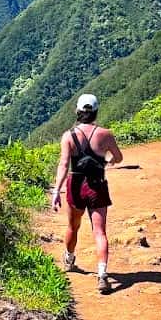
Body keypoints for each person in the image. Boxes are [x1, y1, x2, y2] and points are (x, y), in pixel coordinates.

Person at [51, 92, 123, 294]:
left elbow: (64, 165)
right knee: (100, 231)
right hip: (97, 184)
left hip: (76, 184)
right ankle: (102, 274)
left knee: (73, 227)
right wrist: (108, 161)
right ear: (96, 112)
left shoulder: (68, 136)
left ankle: (69, 258)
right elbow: (118, 157)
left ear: (77, 111)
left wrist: (57, 190)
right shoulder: (106, 134)